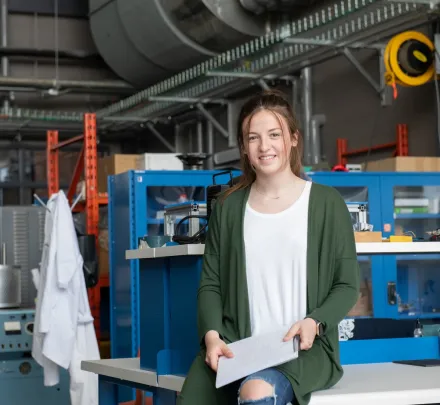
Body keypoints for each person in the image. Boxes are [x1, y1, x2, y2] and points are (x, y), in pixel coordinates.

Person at [177, 89, 360, 405]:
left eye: (274, 134)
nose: (264, 146)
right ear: (244, 148)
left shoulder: (327, 204)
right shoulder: (228, 207)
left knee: (258, 391)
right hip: (238, 348)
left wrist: (314, 323)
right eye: (253, 138)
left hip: (302, 350)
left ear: (293, 138)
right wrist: (211, 337)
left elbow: (347, 285)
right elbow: (210, 285)